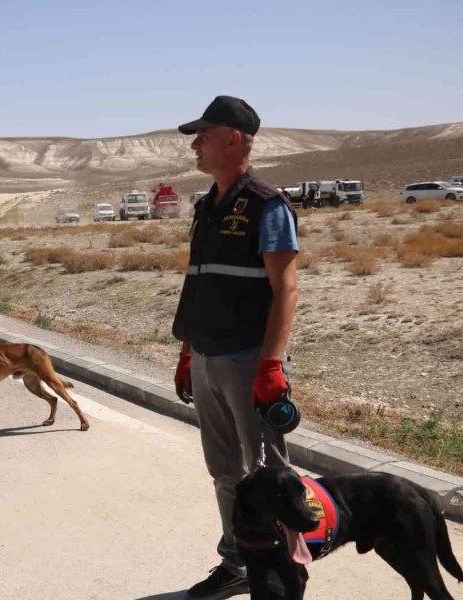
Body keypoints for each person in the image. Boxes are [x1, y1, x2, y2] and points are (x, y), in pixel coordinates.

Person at [171, 96, 299, 600]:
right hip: (205, 356)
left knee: (270, 474)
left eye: (205, 134)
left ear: (234, 140)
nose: (195, 144)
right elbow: (198, 284)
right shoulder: (206, 206)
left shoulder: (268, 205)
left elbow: (286, 288)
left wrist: (270, 365)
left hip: (249, 359)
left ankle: (287, 568)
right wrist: (186, 352)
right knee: (225, 472)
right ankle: (240, 560)